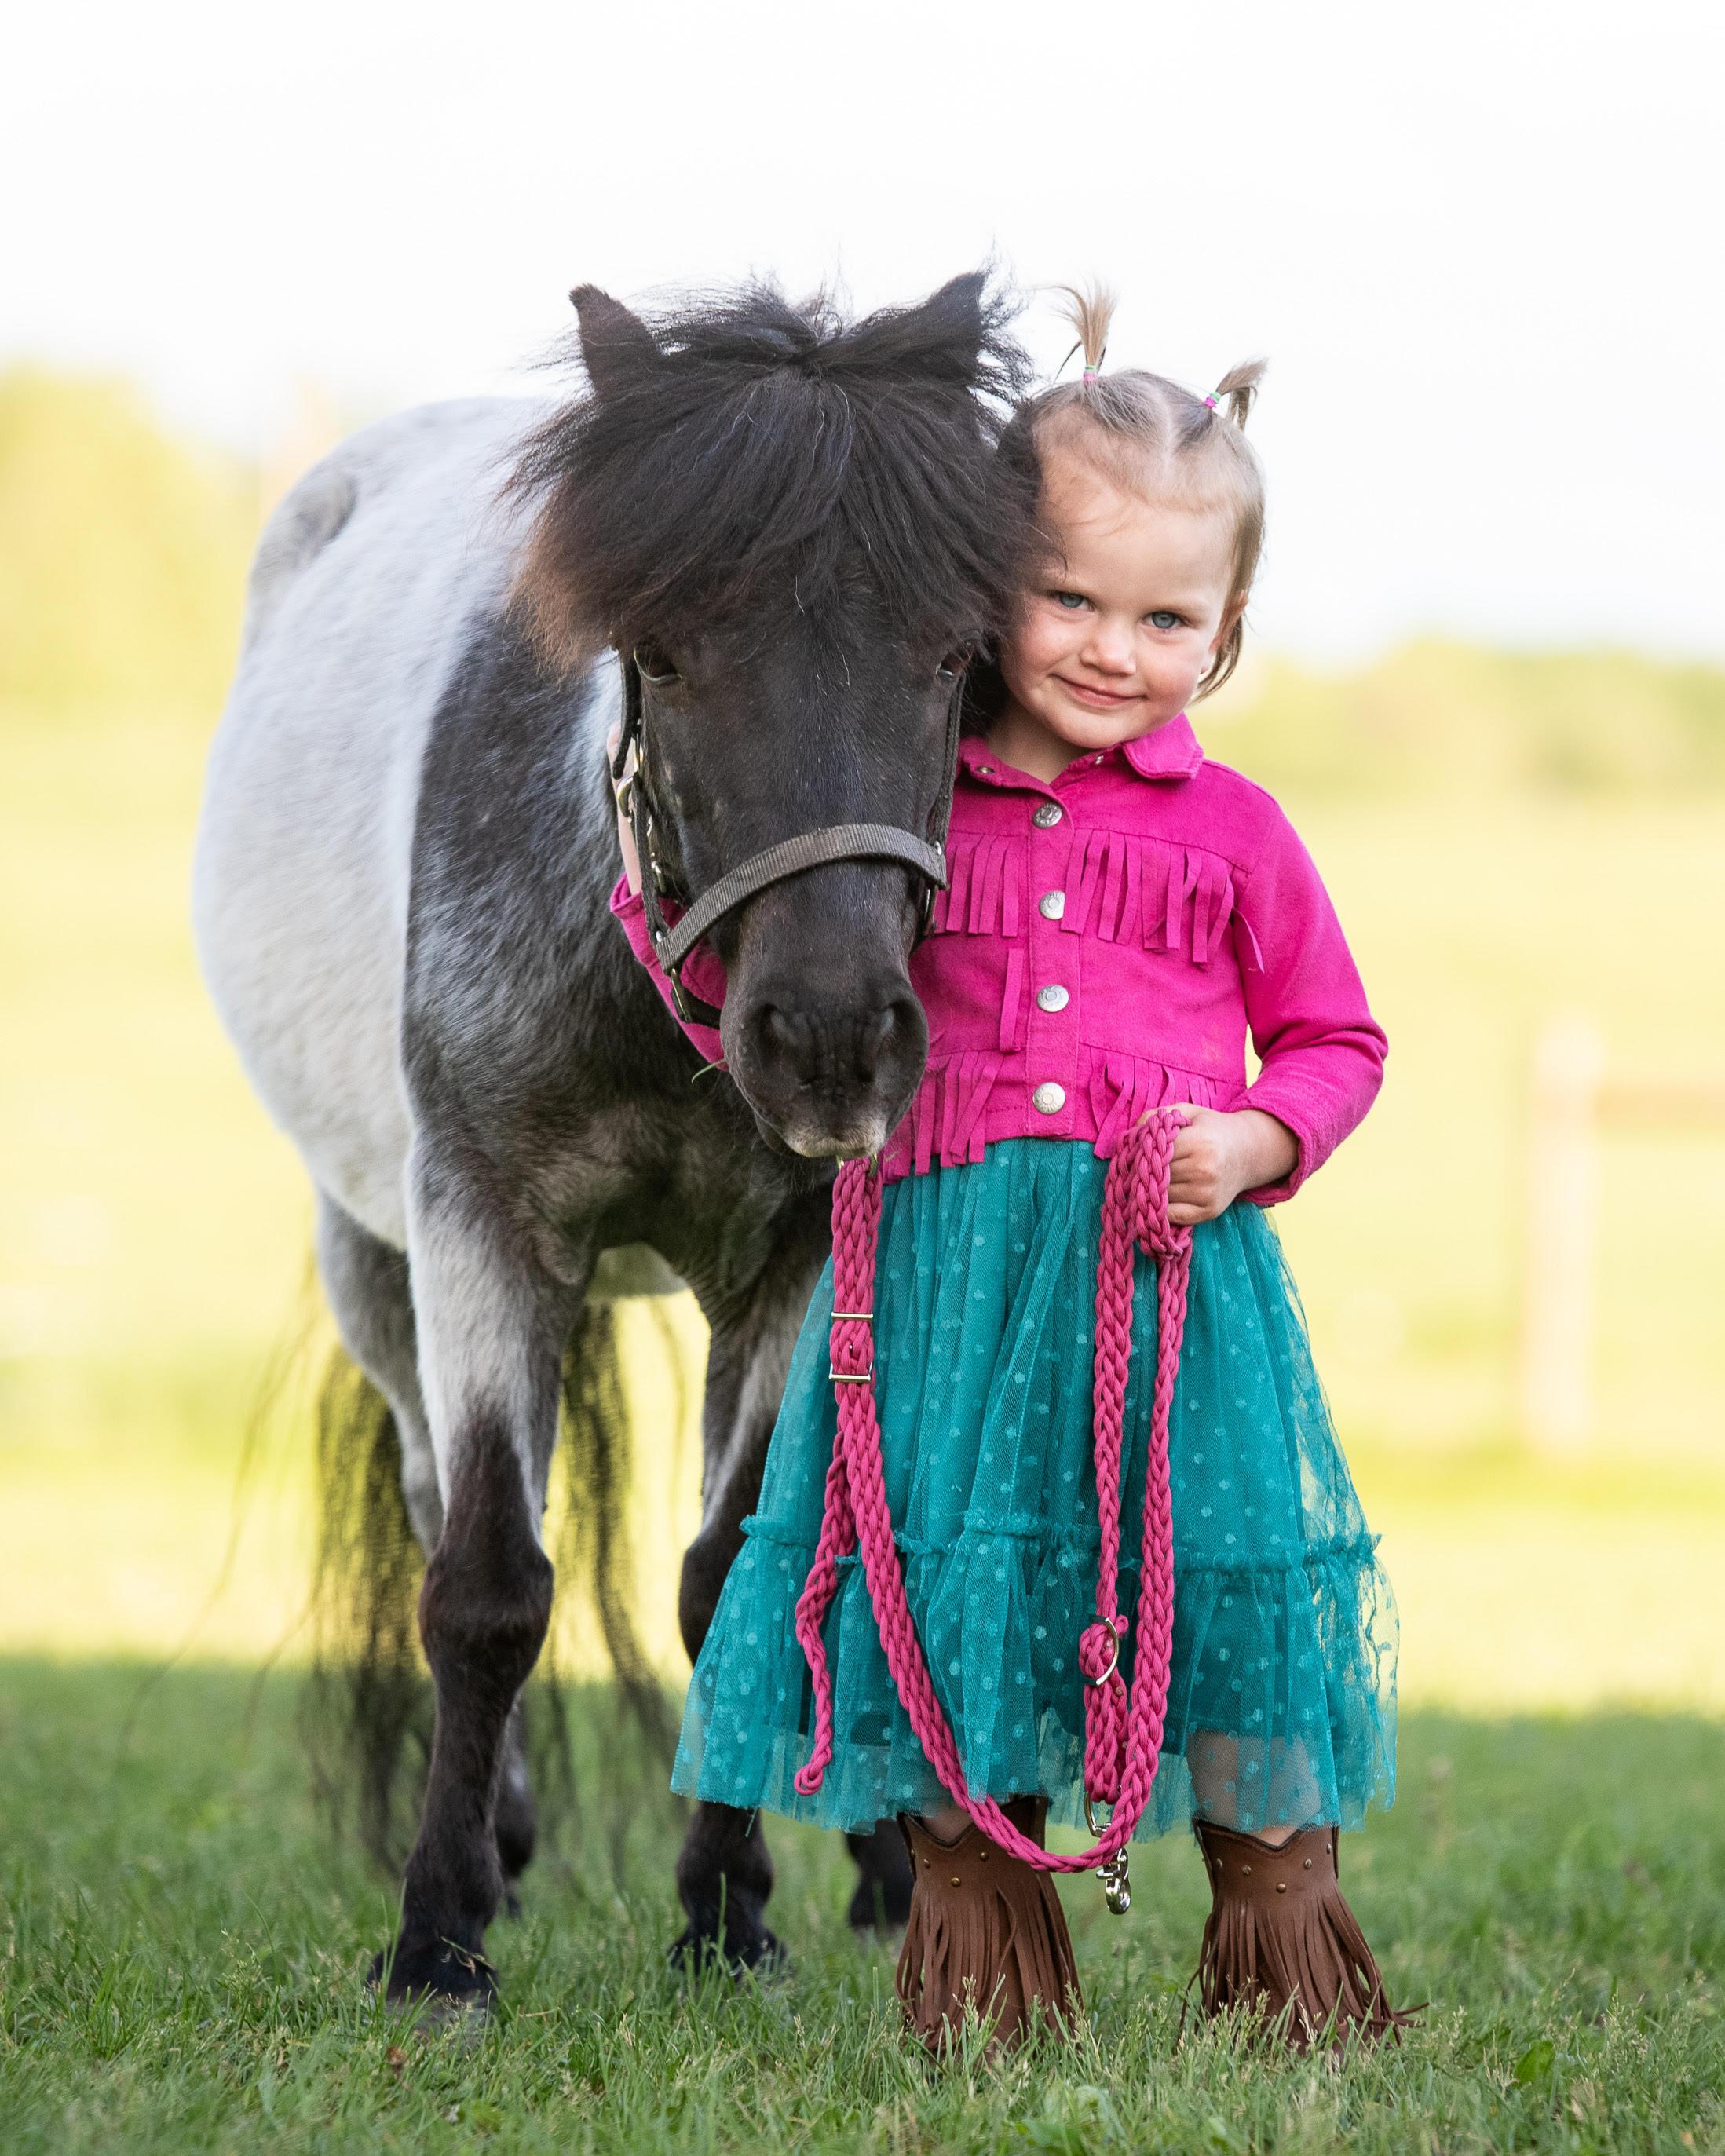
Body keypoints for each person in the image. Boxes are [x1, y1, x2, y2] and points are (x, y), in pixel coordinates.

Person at [609, 288, 1405, 2052]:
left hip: (1173, 1306)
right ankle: (983, 1967)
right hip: (944, 1307)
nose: (1113, 649)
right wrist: (675, 914)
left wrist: (1262, 1135)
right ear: (979, 589)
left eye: (1165, 616)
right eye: (1068, 600)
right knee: (955, 1597)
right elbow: (738, 973)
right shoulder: (917, 821)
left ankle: (1283, 1938)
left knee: (1224, 1595)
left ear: (1227, 626)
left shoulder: (1234, 832)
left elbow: (1339, 1041)